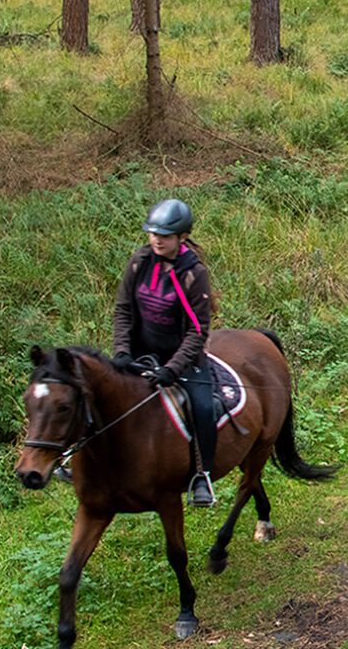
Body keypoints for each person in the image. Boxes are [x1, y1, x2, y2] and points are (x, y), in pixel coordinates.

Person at [112, 198, 220, 507]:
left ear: (182, 237)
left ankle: (203, 476)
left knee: (202, 406)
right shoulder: (139, 262)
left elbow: (197, 331)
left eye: (165, 235)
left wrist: (172, 369)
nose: (157, 240)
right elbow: (122, 311)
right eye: (153, 233)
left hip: (182, 361)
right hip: (140, 354)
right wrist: (121, 352)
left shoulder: (193, 273)